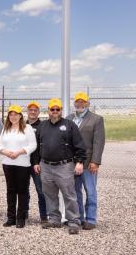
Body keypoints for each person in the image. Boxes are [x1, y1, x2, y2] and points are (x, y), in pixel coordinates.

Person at [32, 98, 87, 235]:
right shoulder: (42, 126)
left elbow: (79, 145)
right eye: (52, 109)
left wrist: (79, 162)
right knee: (50, 195)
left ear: (61, 111)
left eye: (58, 109)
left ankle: (73, 221)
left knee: (69, 195)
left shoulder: (69, 125)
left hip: (65, 166)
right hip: (46, 166)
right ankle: (54, 219)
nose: (55, 112)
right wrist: (36, 162)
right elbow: (37, 147)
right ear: (48, 111)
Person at [67, 92, 105, 230]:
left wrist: (95, 161)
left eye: (83, 101)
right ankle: (79, 218)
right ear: (74, 103)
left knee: (90, 191)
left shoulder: (96, 119)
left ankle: (91, 219)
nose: (80, 104)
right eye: (78, 101)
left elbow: (98, 142)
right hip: (72, 163)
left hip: (89, 164)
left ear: (88, 103)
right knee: (75, 192)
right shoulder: (69, 118)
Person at [0, 105, 37, 228]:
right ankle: (11, 218)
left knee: (22, 191)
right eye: (11, 114)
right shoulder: (5, 129)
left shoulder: (27, 128)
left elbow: (33, 145)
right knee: (10, 190)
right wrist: (6, 152)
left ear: (20, 116)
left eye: (16, 114)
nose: (13, 117)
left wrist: (19, 152)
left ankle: (21, 218)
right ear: (8, 116)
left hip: (23, 164)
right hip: (8, 163)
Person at [26, 101, 48, 224]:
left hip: (38, 164)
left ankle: (44, 216)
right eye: (31, 110)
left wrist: (38, 162)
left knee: (41, 190)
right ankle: (24, 213)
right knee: (24, 190)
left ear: (38, 112)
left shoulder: (43, 126)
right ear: (27, 112)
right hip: (23, 163)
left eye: (35, 110)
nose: (33, 112)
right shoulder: (22, 125)